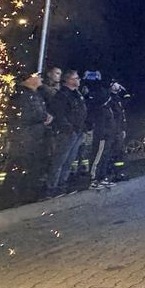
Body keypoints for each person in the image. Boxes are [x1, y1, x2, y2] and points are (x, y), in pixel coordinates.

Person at [0, 70, 53, 206]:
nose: (40, 78)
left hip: (35, 137)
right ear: (28, 79)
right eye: (37, 76)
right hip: (24, 138)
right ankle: (9, 197)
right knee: (18, 166)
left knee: (32, 167)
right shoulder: (21, 96)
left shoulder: (35, 95)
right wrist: (43, 118)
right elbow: (24, 116)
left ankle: (26, 195)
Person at [47, 69, 87, 197]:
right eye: (76, 78)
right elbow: (59, 114)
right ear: (69, 80)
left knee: (69, 161)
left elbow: (81, 111)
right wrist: (69, 128)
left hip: (77, 131)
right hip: (67, 133)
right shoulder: (62, 95)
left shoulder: (77, 94)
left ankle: (62, 186)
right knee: (59, 161)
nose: (78, 80)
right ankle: (51, 188)